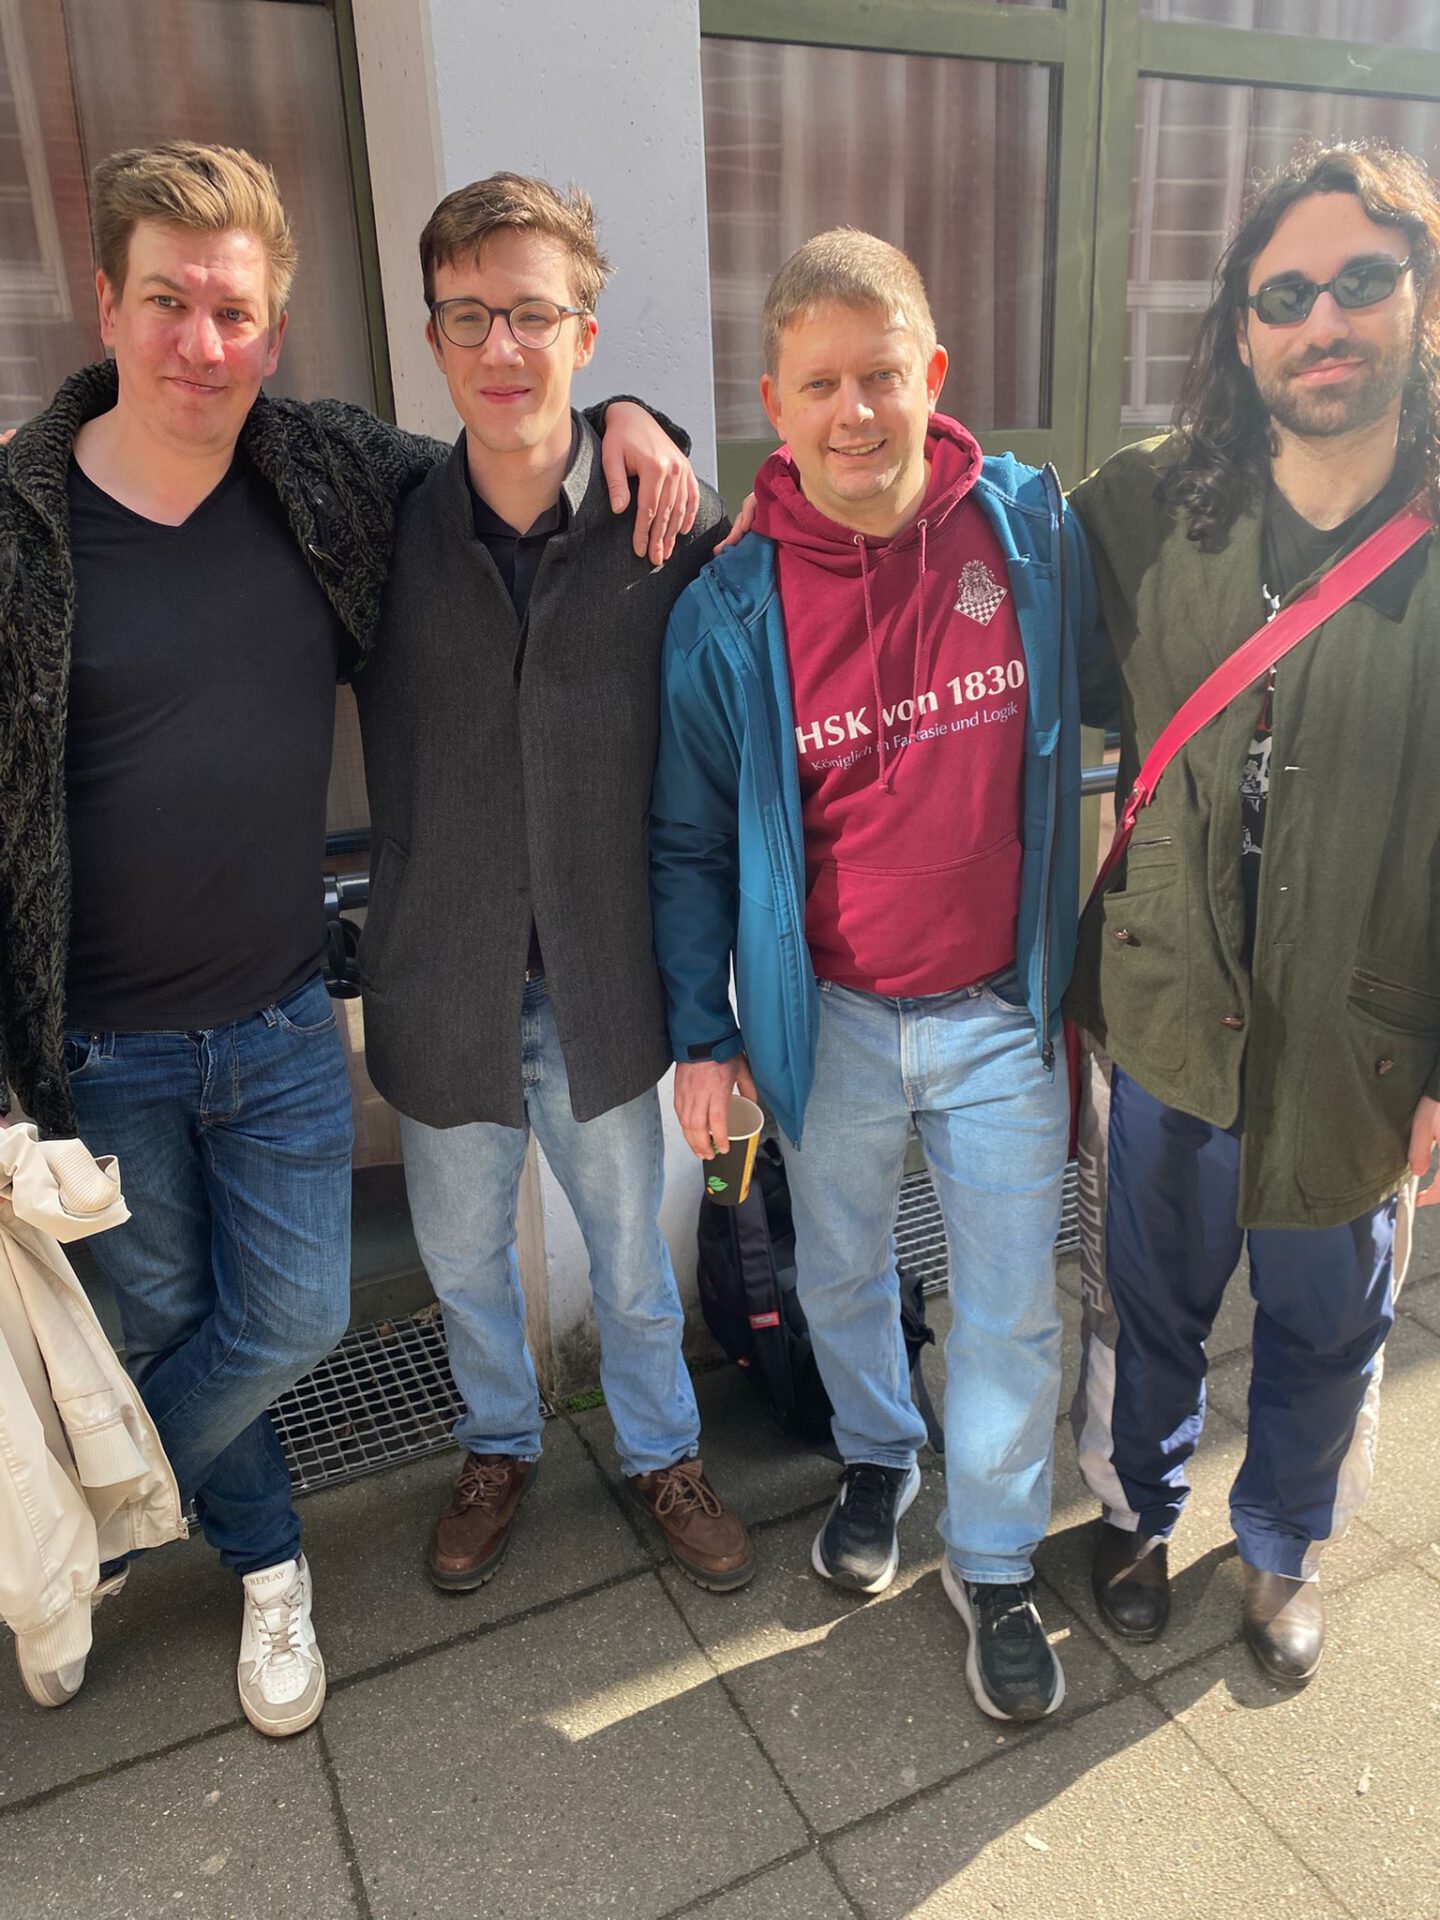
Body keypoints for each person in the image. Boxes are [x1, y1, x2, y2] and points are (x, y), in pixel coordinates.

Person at [0, 140, 698, 1732]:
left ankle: (90, 1525)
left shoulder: (359, 488)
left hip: (358, 1012)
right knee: (232, 1312)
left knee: (391, 1301)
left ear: (275, 330)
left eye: (234, 311)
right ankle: (303, 1544)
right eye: (166, 302)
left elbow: (527, 430)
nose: (201, 342)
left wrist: (638, 417)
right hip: (166, 1027)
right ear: (105, 305)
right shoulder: (67, 527)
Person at [649, 230, 1102, 1721]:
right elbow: (688, 840)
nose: (855, 411)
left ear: (934, 377)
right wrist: (702, 1033)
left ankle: (995, 1559)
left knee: (1010, 1306)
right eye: (820, 384)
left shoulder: (1029, 537)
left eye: (882, 376)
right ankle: (878, 1455)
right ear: (772, 406)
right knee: (838, 1274)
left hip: (997, 1017)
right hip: (829, 1024)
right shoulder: (731, 609)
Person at [1067, 140, 1440, 1688]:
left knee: (1329, 1321)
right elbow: (954, 543)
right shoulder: (1152, 508)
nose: (1323, 320)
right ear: (1241, 327)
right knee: (1147, 1299)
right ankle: (1134, 1512)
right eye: (1285, 295)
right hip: (1168, 1003)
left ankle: (1284, 1544)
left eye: (1362, 281)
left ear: (1420, 299)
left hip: (1363, 1037)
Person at [353, 173, 754, 1596]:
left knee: (631, 1263)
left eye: (532, 314)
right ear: (432, 337)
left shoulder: (666, 530)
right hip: (442, 977)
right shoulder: (379, 529)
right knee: (465, 1265)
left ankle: (663, 1453)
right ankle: (498, 1444)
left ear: (586, 332)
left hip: (603, 980)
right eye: (468, 317)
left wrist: (651, 421)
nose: (501, 347)